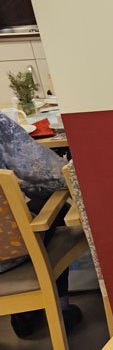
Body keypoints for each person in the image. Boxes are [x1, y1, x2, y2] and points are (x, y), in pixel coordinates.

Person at [0, 114, 82, 337]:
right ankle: (60, 309)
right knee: (56, 212)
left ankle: (25, 314)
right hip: (11, 255)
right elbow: (52, 176)